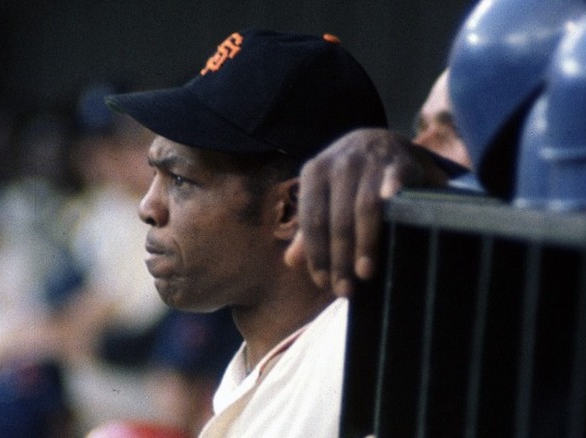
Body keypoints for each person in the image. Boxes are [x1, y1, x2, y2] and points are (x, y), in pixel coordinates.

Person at [105, 28, 449, 436]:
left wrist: (422, 168)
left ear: (290, 208)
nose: (148, 208)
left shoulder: (362, 354)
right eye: (155, 176)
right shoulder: (263, 361)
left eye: (180, 180)